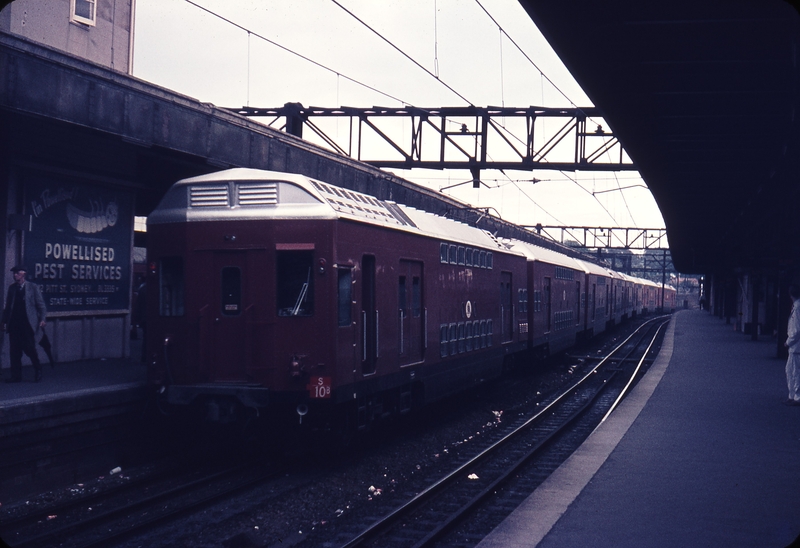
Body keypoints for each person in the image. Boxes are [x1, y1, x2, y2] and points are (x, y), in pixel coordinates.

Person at [1, 265, 47, 382]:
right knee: (14, 351)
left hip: (27, 325)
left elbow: (41, 306)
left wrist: (42, 319)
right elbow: (8, 308)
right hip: (14, 325)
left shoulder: (32, 287)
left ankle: (38, 369)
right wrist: (4, 322)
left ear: (23, 274)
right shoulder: (12, 288)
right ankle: (16, 376)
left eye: (17, 273)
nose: (14, 275)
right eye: (14, 273)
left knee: (30, 349)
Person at [784, 284, 800, 405]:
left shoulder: (797, 308)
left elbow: (796, 330)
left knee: (795, 371)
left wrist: (788, 342)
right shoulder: (797, 307)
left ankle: (796, 396)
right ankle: (792, 395)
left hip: (796, 347)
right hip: (795, 347)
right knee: (790, 370)